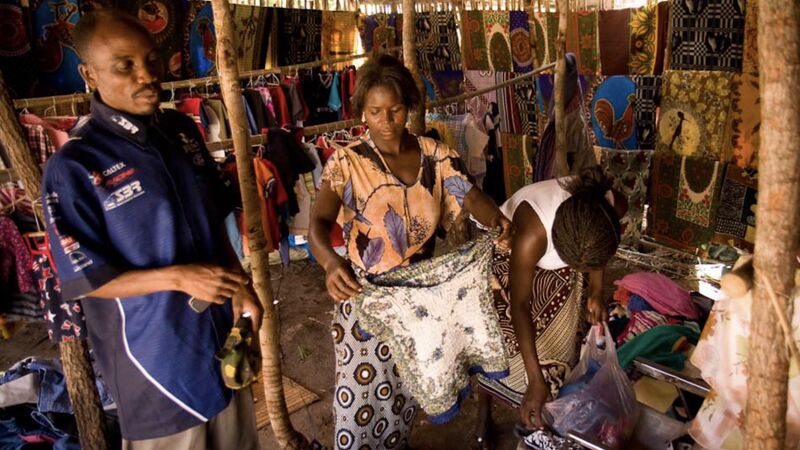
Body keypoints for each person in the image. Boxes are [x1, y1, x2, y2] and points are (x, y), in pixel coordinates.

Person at [41, 10, 260, 449]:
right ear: (88, 73)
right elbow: (86, 280)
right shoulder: (76, 166)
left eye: (151, 61)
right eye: (125, 65)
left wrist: (240, 285)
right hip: (155, 358)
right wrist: (180, 277)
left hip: (219, 335)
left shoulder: (181, 132)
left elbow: (214, 223)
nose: (146, 75)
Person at [309, 54, 512, 450]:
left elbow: (468, 195)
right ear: (362, 112)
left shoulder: (434, 156)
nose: (386, 121)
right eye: (375, 111)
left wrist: (499, 223)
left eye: (396, 110)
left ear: (410, 107)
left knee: (404, 390)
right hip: (364, 297)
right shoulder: (346, 163)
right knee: (361, 398)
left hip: (420, 302)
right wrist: (330, 262)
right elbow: (319, 223)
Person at [474, 168, 626, 449]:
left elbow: (599, 251)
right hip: (510, 254)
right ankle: (484, 408)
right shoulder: (531, 232)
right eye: (579, 266)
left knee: (561, 346)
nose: (584, 270)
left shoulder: (610, 207)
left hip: (567, 254)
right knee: (499, 349)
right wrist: (534, 380)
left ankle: (548, 397)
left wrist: (595, 291)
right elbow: (520, 304)